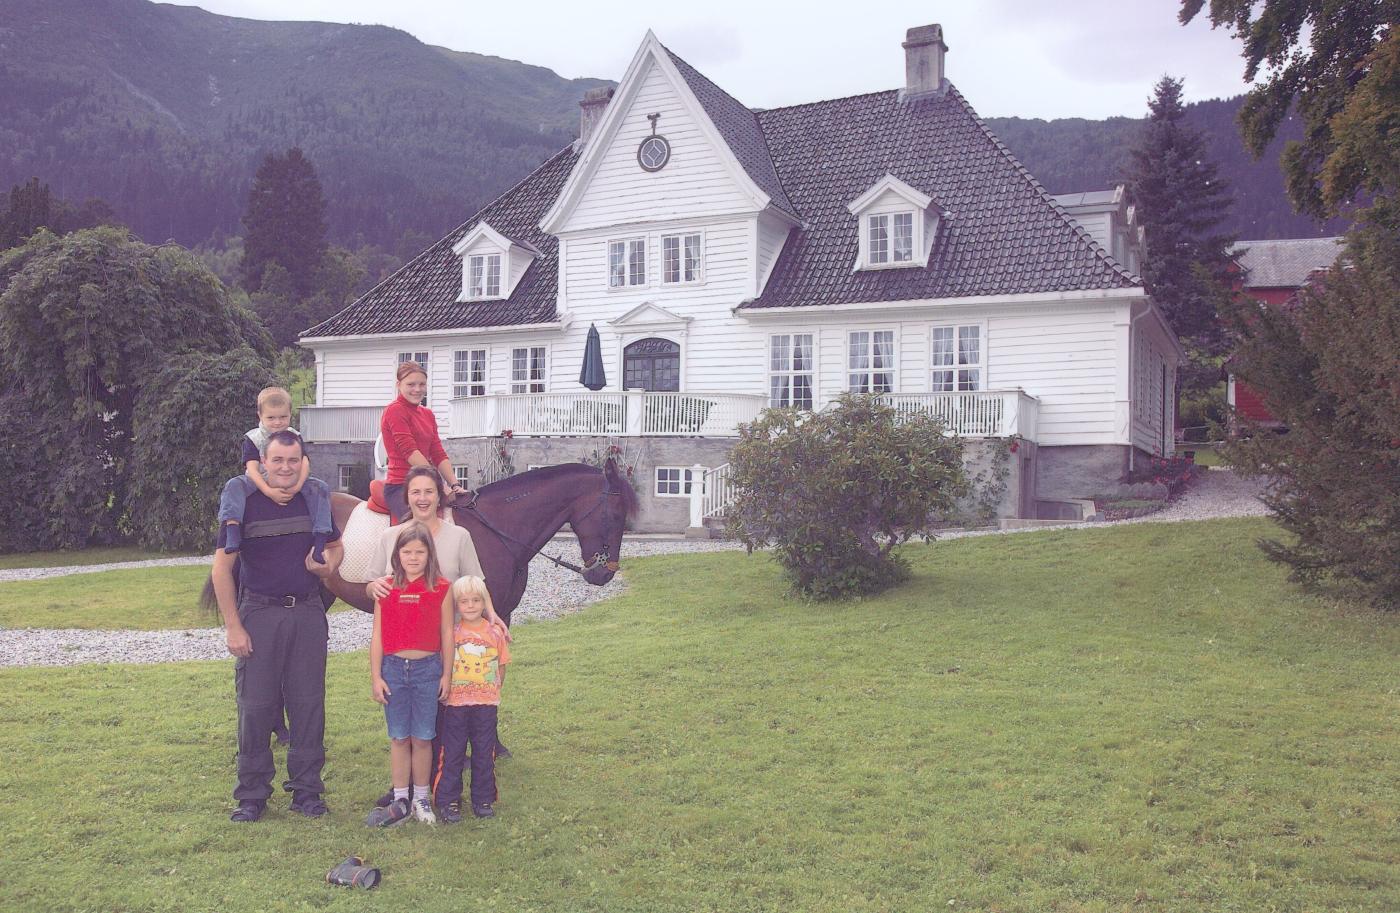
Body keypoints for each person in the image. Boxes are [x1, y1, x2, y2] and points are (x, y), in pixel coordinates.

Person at [211, 430, 343, 823]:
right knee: (255, 706)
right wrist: (233, 626)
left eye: (293, 460)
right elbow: (222, 569)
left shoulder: (314, 498)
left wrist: (330, 565)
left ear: (302, 462)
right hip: (259, 612)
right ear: (263, 463)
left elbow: (336, 548)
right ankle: (252, 795)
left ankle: (307, 792)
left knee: (308, 705)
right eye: (278, 460)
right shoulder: (244, 501)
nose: (285, 468)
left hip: (306, 612)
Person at [363, 464, 508, 810]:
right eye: (416, 491)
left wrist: (492, 616)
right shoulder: (389, 538)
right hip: (407, 643)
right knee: (405, 724)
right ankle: (405, 789)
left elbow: (475, 584)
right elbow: (374, 585)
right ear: (407, 497)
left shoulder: (459, 537)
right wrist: (372, 586)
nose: (423, 498)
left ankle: (439, 785)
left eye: (429, 491)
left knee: (442, 719)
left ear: (440, 495)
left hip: (451, 641)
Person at [365, 522, 453, 827]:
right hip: (393, 669)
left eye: (420, 551)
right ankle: (400, 797)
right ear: (397, 555)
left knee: (424, 737)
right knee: (400, 736)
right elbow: (377, 635)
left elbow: (446, 633)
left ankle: (421, 798)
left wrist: (447, 674)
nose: (413, 557)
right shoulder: (386, 588)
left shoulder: (441, 588)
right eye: (407, 551)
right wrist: (376, 676)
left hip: (428, 669)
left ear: (429, 554)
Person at [219, 386, 332, 564]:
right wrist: (268, 491)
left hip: (291, 477)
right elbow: (252, 468)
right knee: (233, 485)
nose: (277, 422)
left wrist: (296, 487)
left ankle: (320, 540)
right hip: (259, 479)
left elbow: (304, 463)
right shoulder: (253, 438)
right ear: (260, 416)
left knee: (320, 488)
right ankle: (232, 530)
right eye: (271, 418)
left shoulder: (295, 436)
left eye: (283, 417)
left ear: (290, 415)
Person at [435, 575, 511, 821]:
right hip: (456, 705)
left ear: (484, 602)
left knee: (484, 752)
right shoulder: (451, 634)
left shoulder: (495, 632)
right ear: (456, 605)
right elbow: (443, 664)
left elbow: (502, 664)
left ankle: (483, 799)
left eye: (476, 600)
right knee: (454, 753)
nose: (470, 606)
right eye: (464, 601)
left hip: (486, 705)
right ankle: (449, 801)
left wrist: (495, 687)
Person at [380, 362, 467, 522]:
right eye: (411, 384)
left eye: (422, 384)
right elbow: (410, 453)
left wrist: (455, 484)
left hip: (427, 483)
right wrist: (440, 484)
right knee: (419, 529)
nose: (417, 389)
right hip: (401, 485)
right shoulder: (394, 410)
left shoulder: (427, 414)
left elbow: (438, 453)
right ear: (398, 385)